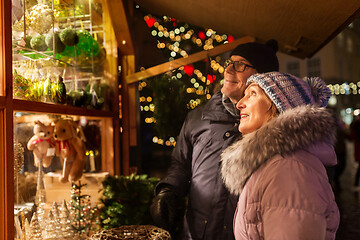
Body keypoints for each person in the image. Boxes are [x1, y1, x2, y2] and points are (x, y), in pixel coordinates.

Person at [150, 40, 279, 240]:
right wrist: (169, 190)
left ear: (262, 78)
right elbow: (180, 164)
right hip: (196, 233)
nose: (228, 70)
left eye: (240, 64)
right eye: (229, 62)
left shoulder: (274, 127)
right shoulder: (198, 117)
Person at [221, 72, 340, 240]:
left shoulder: (289, 169)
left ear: (278, 105)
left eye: (252, 94)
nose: (240, 104)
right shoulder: (273, 164)